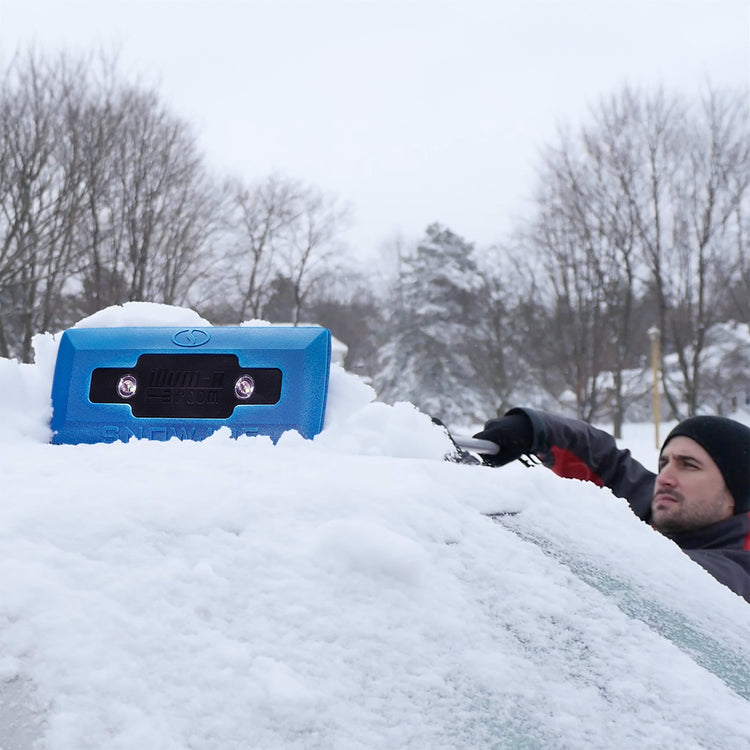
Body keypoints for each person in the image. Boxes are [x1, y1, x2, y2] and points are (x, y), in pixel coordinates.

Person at [472, 408, 750, 603]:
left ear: (735, 490)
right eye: (663, 463)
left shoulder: (736, 573)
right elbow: (609, 464)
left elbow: (658, 571)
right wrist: (535, 430)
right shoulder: (671, 513)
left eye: (689, 465)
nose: (664, 478)